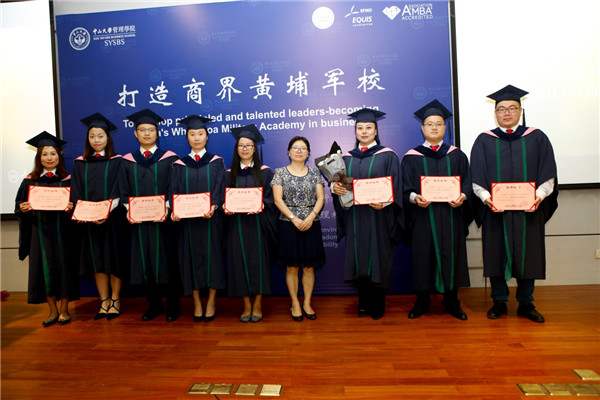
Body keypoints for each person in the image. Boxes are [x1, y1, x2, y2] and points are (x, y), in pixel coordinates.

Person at [470, 85, 558, 323]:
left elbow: (548, 173)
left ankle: (526, 303)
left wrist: (538, 196)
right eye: (501, 109)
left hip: (528, 211)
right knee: (496, 253)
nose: (507, 113)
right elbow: (476, 176)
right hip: (495, 211)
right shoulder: (484, 140)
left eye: (512, 108)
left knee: (528, 254)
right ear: (495, 113)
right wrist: (486, 199)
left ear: (520, 111)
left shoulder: (537, 138)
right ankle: (499, 301)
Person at [400, 100, 472, 320]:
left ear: (445, 127)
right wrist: (414, 198)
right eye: (430, 124)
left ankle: (452, 303)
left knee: (452, 257)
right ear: (422, 128)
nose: (434, 128)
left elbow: (468, 183)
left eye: (438, 124)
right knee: (423, 258)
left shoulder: (457, 155)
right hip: (423, 216)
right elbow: (404, 187)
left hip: (451, 216)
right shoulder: (411, 157)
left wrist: (462, 197)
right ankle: (422, 302)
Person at [331, 108, 403, 320]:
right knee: (358, 258)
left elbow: (396, 186)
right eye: (360, 128)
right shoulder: (346, 158)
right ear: (355, 131)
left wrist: (385, 202)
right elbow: (341, 185)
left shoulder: (388, 155)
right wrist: (336, 189)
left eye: (368, 127)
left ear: (376, 130)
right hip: (355, 217)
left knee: (378, 259)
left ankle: (378, 302)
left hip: (379, 216)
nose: (364, 131)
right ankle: (363, 301)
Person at [119, 108, 181, 322]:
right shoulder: (127, 161)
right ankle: (153, 305)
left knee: (167, 261)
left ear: (157, 133)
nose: (147, 133)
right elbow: (123, 189)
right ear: (135, 133)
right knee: (145, 262)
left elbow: (175, 187)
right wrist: (130, 209)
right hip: (140, 222)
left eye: (151, 130)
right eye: (142, 130)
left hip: (164, 221)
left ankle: (172, 305)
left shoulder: (170, 159)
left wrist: (167, 207)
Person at [15, 132, 78, 326]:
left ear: (59, 156)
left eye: (53, 153)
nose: (49, 158)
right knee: (43, 271)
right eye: (44, 154)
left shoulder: (68, 179)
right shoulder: (29, 181)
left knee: (65, 271)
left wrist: (71, 208)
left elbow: (78, 205)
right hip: (40, 234)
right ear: (39, 157)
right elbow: (19, 206)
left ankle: (65, 310)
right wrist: (23, 208)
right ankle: (52, 311)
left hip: (63, 234)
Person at [169, 115, 226, 322]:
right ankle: (196, 303)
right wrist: (174, 210)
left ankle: (211, 301)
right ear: (187, 137)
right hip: (188, 223)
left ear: (207, 136)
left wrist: (214, 205)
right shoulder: (179, 164)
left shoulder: (216, 162)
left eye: (200, 134)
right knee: (190, 261)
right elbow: (173, 191)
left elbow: (220, 188)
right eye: (192, 134)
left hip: (210, 220)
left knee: (213, 260)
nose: (196, 138)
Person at [71, 113, 126, 320]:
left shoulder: (117, 161)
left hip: (112, 220)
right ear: (88, 139)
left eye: (100, 136)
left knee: (114, 259)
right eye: (92, 136)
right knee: (97, 261)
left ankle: (115, 299)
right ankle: (104, 301)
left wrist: (105, 211)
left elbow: (121, 190)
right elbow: (76, 192)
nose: (96, 140)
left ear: (107, 138)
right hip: (89, 223)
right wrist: (83, 212)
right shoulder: (80, 163)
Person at [224, 124, 276, 323]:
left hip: (258, 225)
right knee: (239, 263)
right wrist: (226, 207)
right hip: (237, 225)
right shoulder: (229, 174)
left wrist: (261, 204)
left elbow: (271, 199)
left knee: (259, 263)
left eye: (248, 145)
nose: (244, 149)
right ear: (236, 149)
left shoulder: (265, 173)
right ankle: (246, 304)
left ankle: (258, 303)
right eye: (241, 145)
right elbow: (224, 198)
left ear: (255, 148)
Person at [272, 136, 325, 321]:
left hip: (311, 223)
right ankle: (295, 303)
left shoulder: (315, 172)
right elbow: (277, 200)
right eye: (295, 148)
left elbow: (321, 198)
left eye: (303, 148)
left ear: (308, 152)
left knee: (309, 268)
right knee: (292, 268)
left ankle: (307, 303)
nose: (299, 151)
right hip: (288, 224)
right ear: (289, 151)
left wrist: (310, 217)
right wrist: (294, 218)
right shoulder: (280, 172)